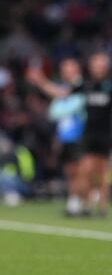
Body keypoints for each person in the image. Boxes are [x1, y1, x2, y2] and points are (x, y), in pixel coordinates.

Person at [26, 57, 85, 216]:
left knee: (78, 171)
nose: (66, 72)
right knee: (70, 171)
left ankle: (80, 201)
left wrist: (41, 81)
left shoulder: (80, 85)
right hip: (67, 136)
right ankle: (75, 201)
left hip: (79, 135)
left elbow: (61, 96)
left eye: (69, 69)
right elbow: (54, 113)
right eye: (64, 69)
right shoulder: (70, 87)